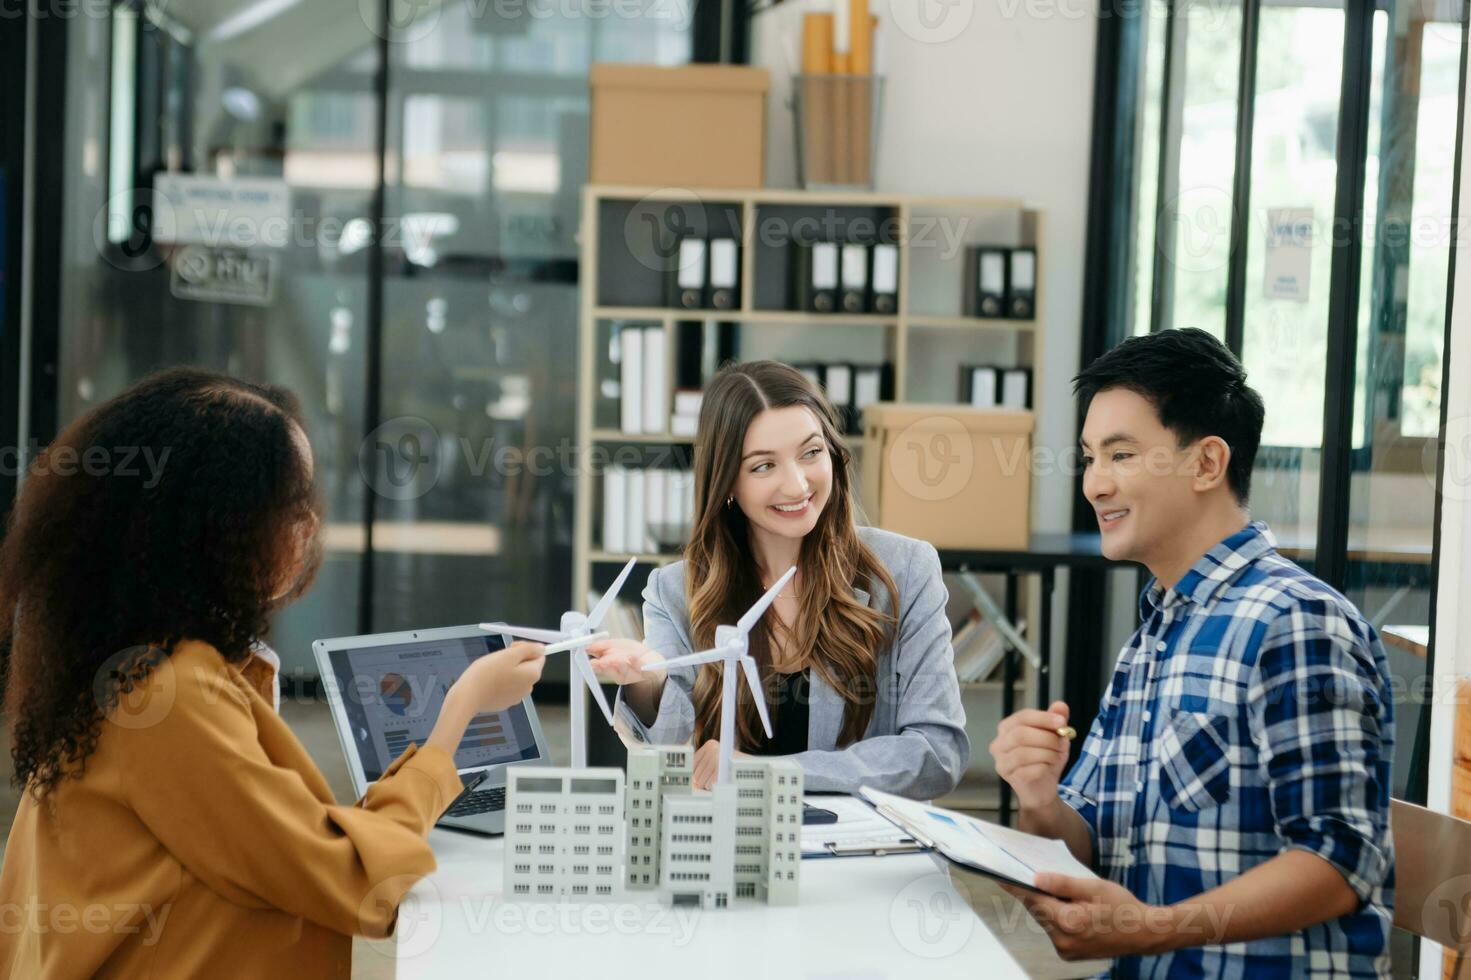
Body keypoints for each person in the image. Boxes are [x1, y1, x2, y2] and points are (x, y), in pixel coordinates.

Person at [0, 368, 547, 978]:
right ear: (213, 527)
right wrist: (462, 705)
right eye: (293, 503)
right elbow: (354, 882)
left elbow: (283, 843)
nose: (310, 527)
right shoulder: (170, 695)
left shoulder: (134, 663)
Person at [990, 328, 1394, 976]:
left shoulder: (1295, 623)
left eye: (1119, 455)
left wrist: (1152, 930)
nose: (1094, 484)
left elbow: (1341, 861)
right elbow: (1091, 842)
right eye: (1089, 458)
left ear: (1207, 463)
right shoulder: (1155, 631)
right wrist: (1039, 796)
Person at [587, 360, 967, 796]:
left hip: (856, 847)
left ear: (834, 453)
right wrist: (647, 681)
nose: (797, 484)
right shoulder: (675, 591)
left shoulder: (905, 570)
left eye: (811, 453)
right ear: (727, 481)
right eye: (763, 466)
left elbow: (938, 754)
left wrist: (776, 772)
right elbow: (671, 752)